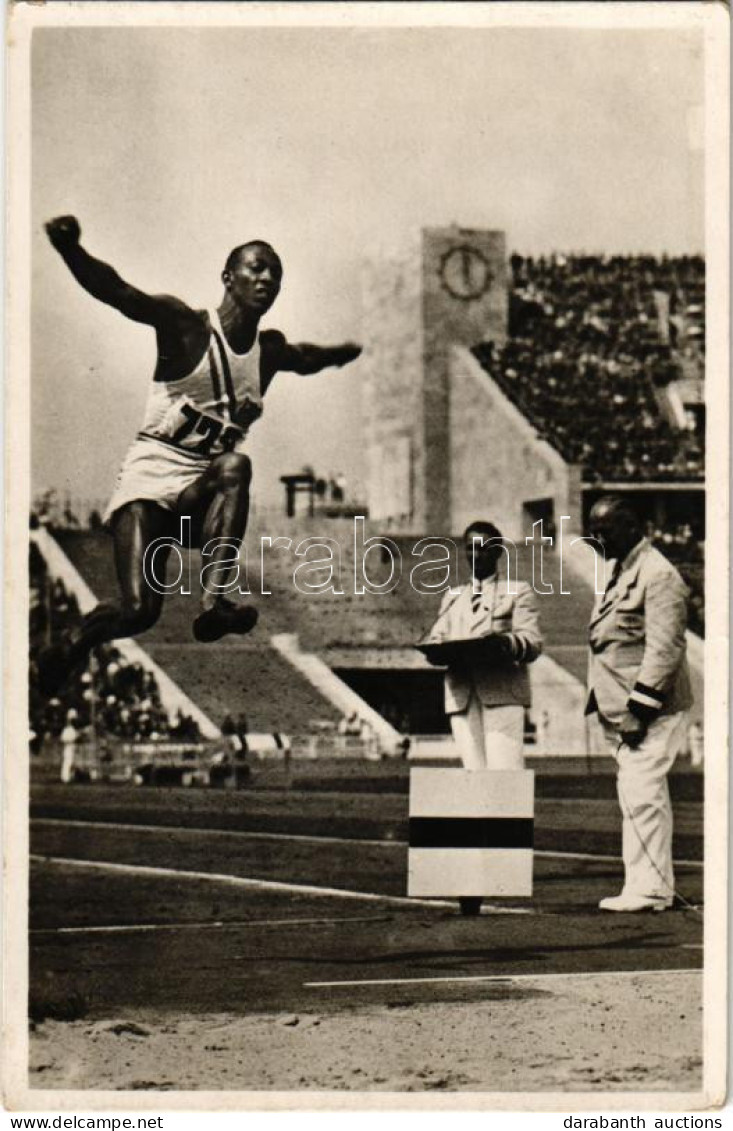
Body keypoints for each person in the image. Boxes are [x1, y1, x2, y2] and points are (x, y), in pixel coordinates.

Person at [38, 216, 361, 694]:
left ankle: (217, 601)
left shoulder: (265, 353)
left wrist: (344, 352)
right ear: (228, 277)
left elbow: (305, 357)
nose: (267, 279)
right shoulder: (185, 326)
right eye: (257, 268)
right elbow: (119, 293)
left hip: (199, 498)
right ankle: (71, 643)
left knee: (235, 465)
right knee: (138, 613)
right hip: (150, 484)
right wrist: (71, 251)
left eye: (276, 273)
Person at [586, 496, 692, 913]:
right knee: (638, 794)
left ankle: (649, 890)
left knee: (642, 794)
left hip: (651, 709)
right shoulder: (623, 570)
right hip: (625, 708)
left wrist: (640, 709)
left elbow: (665, 649)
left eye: (605, 530)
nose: (596, 538)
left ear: (633, 526)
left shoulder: (658, 574)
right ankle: (649, 884)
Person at [423, 521, 543, 774]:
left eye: (483, 548)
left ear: (498, 551)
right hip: (462, 695)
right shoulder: (453, 597)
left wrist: (502, 643)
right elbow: (436, 636)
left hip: (502, 691)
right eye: (470, 549)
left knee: (505, 774)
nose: (476, 555)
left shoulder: (517, 592)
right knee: (473, 776)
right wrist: (434, 648)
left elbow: (532, 642)